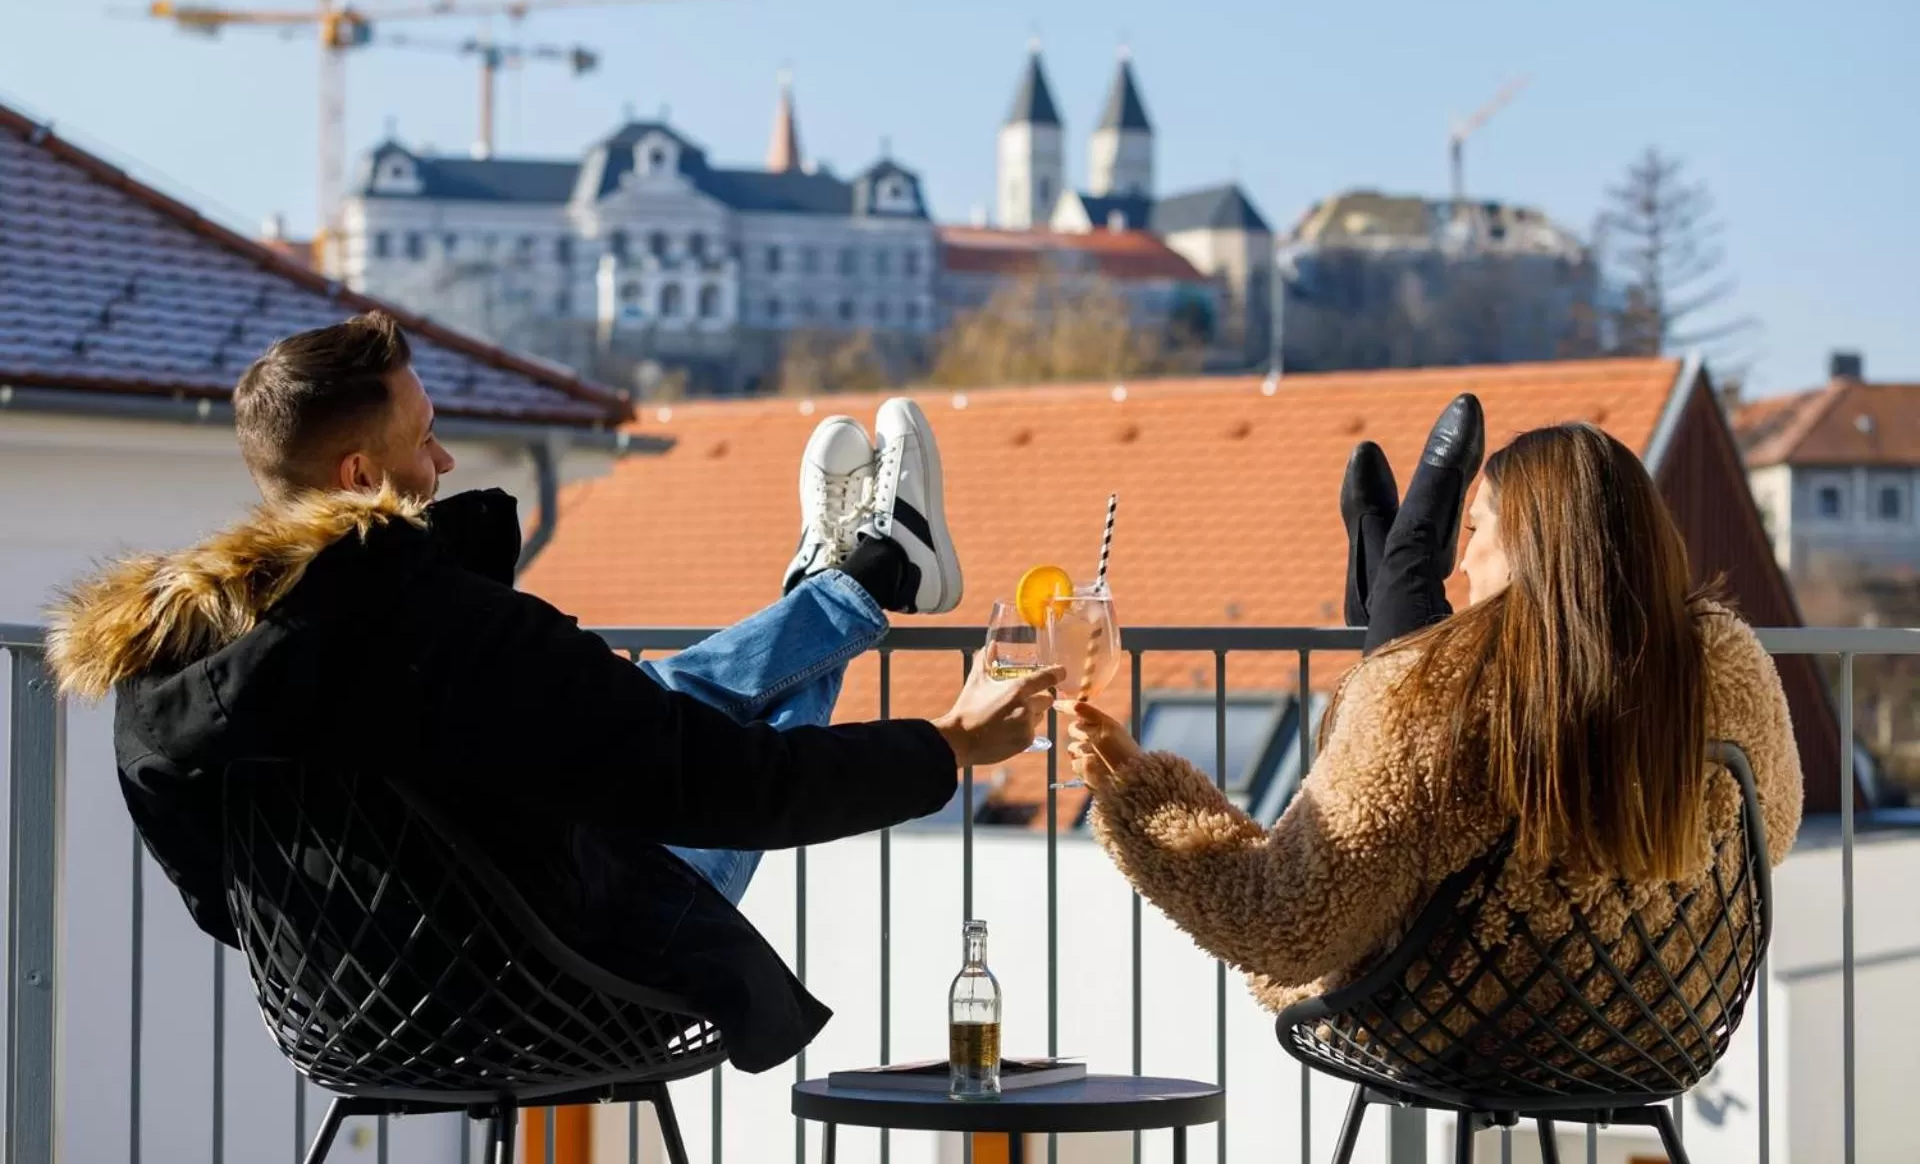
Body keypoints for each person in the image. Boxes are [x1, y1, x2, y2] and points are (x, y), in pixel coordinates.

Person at [48, 312, 1061, 1074]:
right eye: (425, 439)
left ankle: (851, 578)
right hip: (550, 993)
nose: (443, 461)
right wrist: (948, 747)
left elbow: (221, 898)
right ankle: (864, 579)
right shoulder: (458, 632)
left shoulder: (161, 670)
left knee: (637, 704)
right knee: (671, 747)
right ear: (361, 473)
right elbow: (733, 788)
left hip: (339, 1012)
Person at [1066, 398, 1802, 1039]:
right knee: (1411, 664)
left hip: (1455, 1020)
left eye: (1476, 531)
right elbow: (1777, 827)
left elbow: (1283, 925)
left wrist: (1134, 787)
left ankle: (1395, 571)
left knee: (1408, 672)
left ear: (1531, 549)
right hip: (1655, 1021)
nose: (1467, 563)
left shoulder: (1435, 702)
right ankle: (1390, 574)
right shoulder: (1724, 666)